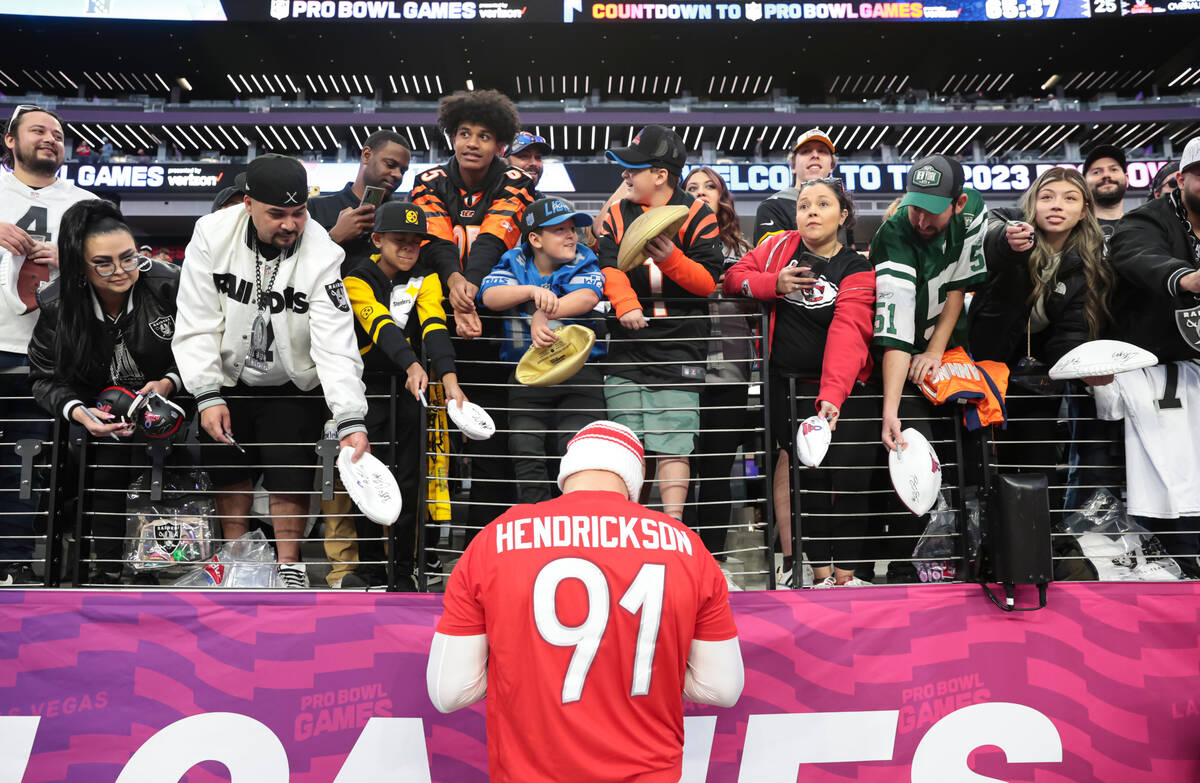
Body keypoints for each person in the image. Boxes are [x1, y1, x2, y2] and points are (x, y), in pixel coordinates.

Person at [427, 420, 743, 783]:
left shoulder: (496, 538)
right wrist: (643, 666)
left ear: (567, 472)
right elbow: (722, 687)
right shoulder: (685, 545)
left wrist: (521, 665)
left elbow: (448, 692)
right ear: (634, 483)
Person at [172, 154, 370, 589]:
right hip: (228, 377)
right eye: (276, 214)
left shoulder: (323, 252)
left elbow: (336, 345)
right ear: (248, 204)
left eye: (298, 213)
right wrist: (206, 393)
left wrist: (350, 418)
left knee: (290, 471)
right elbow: (197, 321)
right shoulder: (210, 234)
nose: (290, 224)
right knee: (230, 471)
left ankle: (289, 565)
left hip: (293, 380)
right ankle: (235, 557)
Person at [725, 179, 876, 588]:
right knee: (804, 480)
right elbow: (734, 278)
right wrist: (774, 284)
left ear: (843, 215)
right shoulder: (777, 248)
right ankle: (820, 576)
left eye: (823, 204)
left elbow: (850, 333)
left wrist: (831, 397)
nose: (811, 211)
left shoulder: (857, 267)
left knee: (847, 480)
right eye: (804, 204)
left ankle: (847, 577)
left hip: (842, 392)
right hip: (785, 388)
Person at [27, 200, 182, 584]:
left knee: (169, 485)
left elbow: (206, 348)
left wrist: (169, 383)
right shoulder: (57, 303)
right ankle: (106, 571)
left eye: (128, 258)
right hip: (100, 421)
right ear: (80, 265)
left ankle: (164, 571)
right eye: (104, 263)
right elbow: (44, 377)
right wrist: (80, 412)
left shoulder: (168, 285)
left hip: (171, 414)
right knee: (104, 479)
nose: (120, 272)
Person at [408, 89, 536, 543]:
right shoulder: (426, 181)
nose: (472, 143)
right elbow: (438, 239)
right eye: (464, 133)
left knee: (488, 439)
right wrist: (457, 289)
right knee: (434, 438)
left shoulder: (518, 181)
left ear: (499, 144)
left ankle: (482, 542)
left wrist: (469, 289)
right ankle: (427, 548)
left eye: (484, 136)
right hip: (432, 324)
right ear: (452, 135)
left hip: (496, 328)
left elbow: (495, 237)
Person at [968, 167, 1115, 512]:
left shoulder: (1088, 262)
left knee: (1038, 458)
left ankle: (1036, 544)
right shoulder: (1008, 224)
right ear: (1032, 204)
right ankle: (989, 548)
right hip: (988, 364)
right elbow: (988, 233)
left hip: (1041, 374)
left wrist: (1082, 369)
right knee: (985, 465)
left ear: (1084, 211)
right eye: (1047, 196)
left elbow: (1070, 334)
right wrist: (1007, 243)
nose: (1056, 205)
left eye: (1070, 198)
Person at [597, 125, 724, 521]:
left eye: (632, 169)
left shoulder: (697, 213)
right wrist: (625, 303)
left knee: (673, 445)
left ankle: (672, 527)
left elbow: (707, 283)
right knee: (625, 443)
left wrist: (671, 257)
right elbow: (608, 267)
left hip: (679, 347)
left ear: (660, 175)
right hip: (625, 347)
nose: (624, 176)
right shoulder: (617, 213)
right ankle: (628, 528)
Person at [338, 200, 467, 589]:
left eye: (416, 242)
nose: (409, 248)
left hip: (414, 393)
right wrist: (411, 364)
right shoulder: (356, 277)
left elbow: (433, 325)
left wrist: (448, 377)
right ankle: (372, 566)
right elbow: (378, 324)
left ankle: (404, 566)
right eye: (399, 241)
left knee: (411, 478)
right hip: (367, 389)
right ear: (377, 240)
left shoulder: (427, 278)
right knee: (366, 474)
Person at [871, 155, 988, 581]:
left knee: (965, 458)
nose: (920, 218)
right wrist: (891, 408)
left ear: (957, 203)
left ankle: (966, 559)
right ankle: (906, 567)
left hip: (949, 349)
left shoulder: (974, 210)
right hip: (897, 358)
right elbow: (897, 333)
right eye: (914, 205)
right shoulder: (894, 233)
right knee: (912, 451)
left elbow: (958, 286)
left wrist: (936, 350)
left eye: (931, 208)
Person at [0, 104, 94, 586]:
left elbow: (117, 274)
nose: (51, 139)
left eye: (58, 134)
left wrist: (77, 258)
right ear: (10, 140)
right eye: (37, 130)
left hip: (47, 354)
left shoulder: (87, 205)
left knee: (26, 461)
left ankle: (11, 562)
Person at [1107, 137, 1200, 573]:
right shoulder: (1147, 219)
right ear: (1181, 179)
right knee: (1158, 479)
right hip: (1149, 370)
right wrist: (1186, 278)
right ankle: (1162, 566)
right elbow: (1134, 255)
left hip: (1195, 371)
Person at [479, 196, 605, 505]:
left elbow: (587, 297)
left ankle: (575, 527)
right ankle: (538, 526)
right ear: (535, 238)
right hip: (527, 375)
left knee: (578, 454)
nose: (571, 236)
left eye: (572, 229)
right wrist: (532, 292)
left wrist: (543, 313)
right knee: (525, 452)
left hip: (579, 375)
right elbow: (490, 296)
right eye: (560, 230)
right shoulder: (513, 260)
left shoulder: (584, 258)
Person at [681, 166, 755, 568]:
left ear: (722, 197)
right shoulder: (671, 241)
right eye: (691, 188)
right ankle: (682, 560)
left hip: (730, 369)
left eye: (709, 186)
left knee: (717, 468)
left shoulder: (741, 248)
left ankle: (713, 563)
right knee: (680, 467)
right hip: (680, 366)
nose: (701, 193)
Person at [308, 129, 411, 271]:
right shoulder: (316, 208)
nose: (398, 175)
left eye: (403, 171)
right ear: (366, 155)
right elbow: (296, 267)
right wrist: (333, 238)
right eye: (390, 164)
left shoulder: (403, 218)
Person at [752, 128, 837, 246]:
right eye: (806, 151)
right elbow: (771, 258)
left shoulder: (839, 207)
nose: (815, 155)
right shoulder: (772, 206)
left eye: (822, 151)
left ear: (831, 166)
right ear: (793, 166)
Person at [1082, 144, 1128, 238]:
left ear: (1127, 179)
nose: (1106, 175)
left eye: (1113, 169)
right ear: (1084, 183)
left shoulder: (1144, 226)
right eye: (1096, 172)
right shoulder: (1073, 229)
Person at [504, 130, 550, 197]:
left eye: (538, 157)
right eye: (524, 156)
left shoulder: (549, 205)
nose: (534, 163)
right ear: (505, 162)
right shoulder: (488, 201)